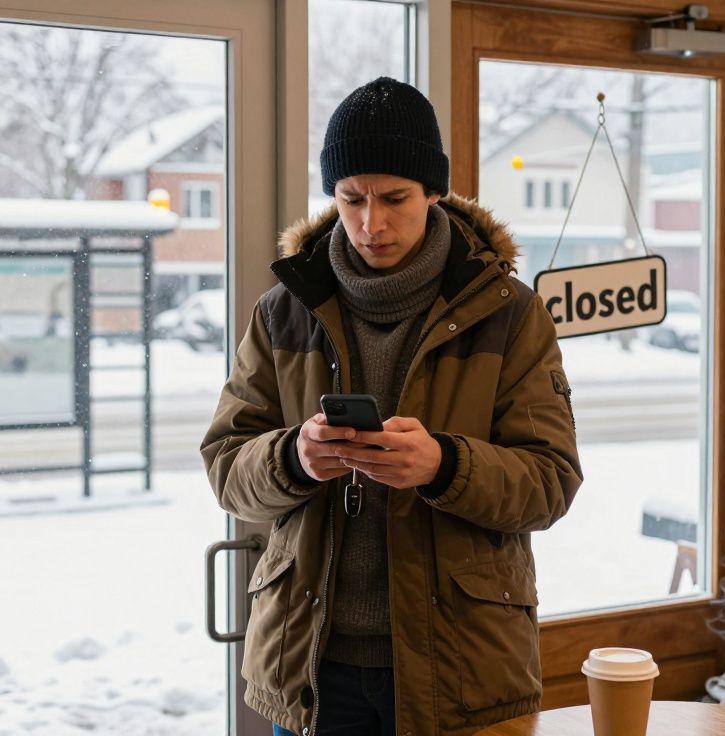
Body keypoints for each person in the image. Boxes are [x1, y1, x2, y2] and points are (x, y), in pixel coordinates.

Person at [201, 77, 583, 736]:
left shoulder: (510, 313)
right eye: (351, 199)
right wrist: (293, 457)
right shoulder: (282, 311)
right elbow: (226, 468)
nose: (371, 222)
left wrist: (444, 465)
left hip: (461, 670)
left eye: (395, 198)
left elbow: (550, 482)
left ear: (434, 192)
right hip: (309, 670)